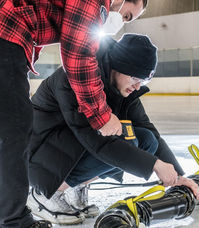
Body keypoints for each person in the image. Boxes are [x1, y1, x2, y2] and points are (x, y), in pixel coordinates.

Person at [0, 0, 148, 227]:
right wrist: (102, 116)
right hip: (7, 31)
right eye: (126, 16)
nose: (121, 22)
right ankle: (14, 222)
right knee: (14, 129)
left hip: (13, 34)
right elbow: (77, 55)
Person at [26, 34, 199, 225]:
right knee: (125, 142)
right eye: (135, 77)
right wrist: (155, 165)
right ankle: (44, 194)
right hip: (39, 153)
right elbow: (96, 142)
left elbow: (146, 128)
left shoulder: (123, 87)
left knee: (145, 139)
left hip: (69, 148)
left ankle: (74, 186)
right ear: (118, 66)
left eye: (144, 80)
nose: (137, 86)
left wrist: (178, 175)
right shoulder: (78, 79)